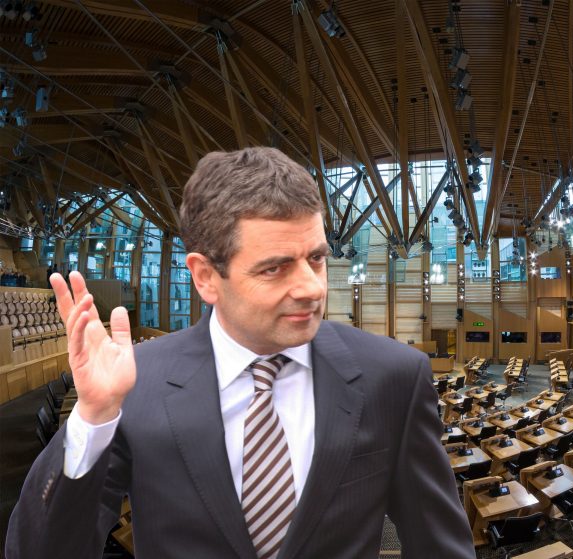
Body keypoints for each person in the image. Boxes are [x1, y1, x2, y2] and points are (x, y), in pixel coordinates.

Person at [6, 147, 475, 559]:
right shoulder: (137, 384)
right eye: (275, 268)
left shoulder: (392, 376)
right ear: (205, 277)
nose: (312, 288)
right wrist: (93, 419)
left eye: (316, 258)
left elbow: (441, 547)